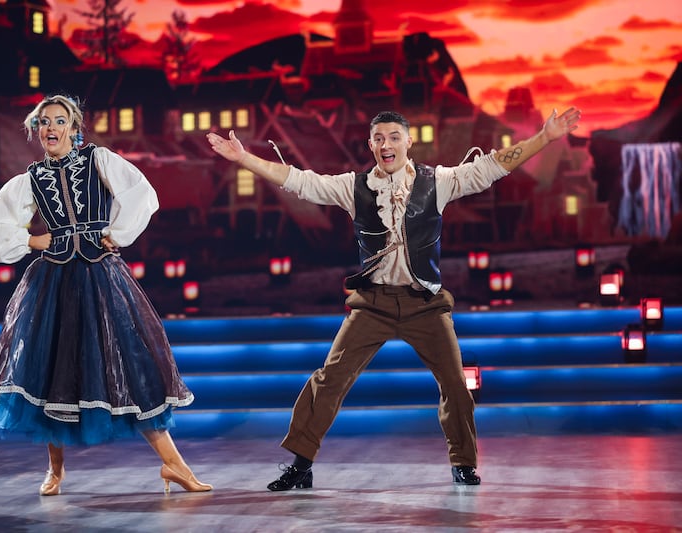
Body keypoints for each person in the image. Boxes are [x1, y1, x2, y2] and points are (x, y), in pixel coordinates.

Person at [206, 106, 581, 490]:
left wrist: (545, 138)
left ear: (408, 141)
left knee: (455, 383)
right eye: (380, 139)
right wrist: (244, 158)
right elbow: (300, 181)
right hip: (374, 303)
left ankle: (463, 464)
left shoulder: (439, 181)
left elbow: (494, 166)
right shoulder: (354, 187)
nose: (387, 145)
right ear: (371, 145)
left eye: (394, 137)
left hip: (425, 304)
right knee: (330, 378)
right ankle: (301, 465)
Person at [0, 94, 211, 495]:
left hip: (101, 279)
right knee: (50, 373)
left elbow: (141, 194)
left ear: (74, 127)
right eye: (44, 122)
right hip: (51, 285)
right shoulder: (28, 180)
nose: (51, 128)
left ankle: (176, 466)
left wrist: (114, 234)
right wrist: (34, 241)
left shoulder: (98, 161)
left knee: (134, 370)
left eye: (59, 121)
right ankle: (55, 470)